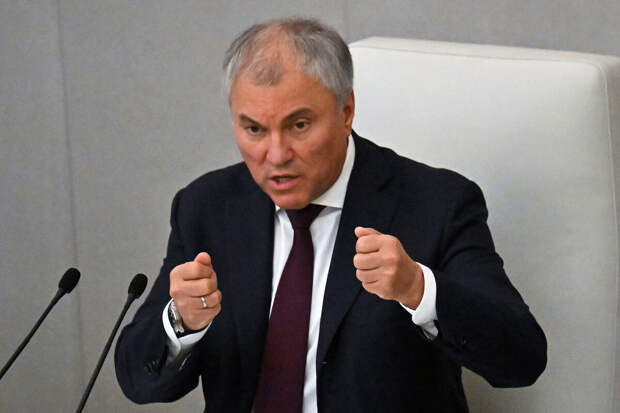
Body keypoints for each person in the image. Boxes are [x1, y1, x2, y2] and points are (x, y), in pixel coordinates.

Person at [114, 17, 546, 413]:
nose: (276, 155)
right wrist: (181, 322)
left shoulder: (437, 204)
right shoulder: (206, 207)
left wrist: (419, 288)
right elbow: (137, 381)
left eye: (299, 125)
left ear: (346, 112)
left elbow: (522, 359)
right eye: (254, 129)